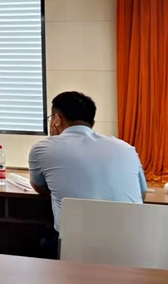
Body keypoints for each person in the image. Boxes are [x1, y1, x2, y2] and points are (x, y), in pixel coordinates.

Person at [29, 91, 147, 256]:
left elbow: (40, 188)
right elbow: (142, 194)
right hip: (134, 249)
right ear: (92, 122)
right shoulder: (126, 148)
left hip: (76, 249)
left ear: (56, 119)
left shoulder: (43, 148)